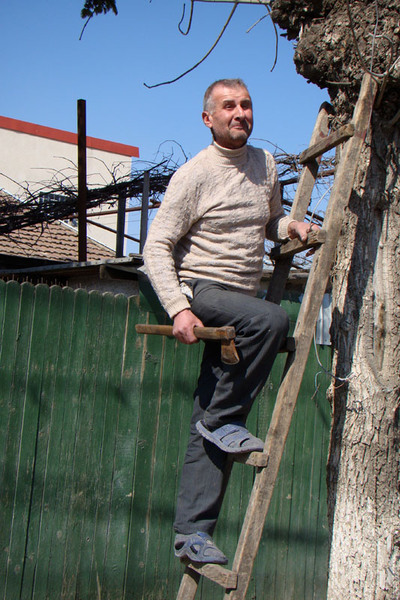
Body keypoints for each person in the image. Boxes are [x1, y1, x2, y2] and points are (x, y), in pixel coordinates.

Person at [143, 78, 314, 565]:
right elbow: (156, 246)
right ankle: (225, 421)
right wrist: (178, 308)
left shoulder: (265, 164)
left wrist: (290, 226)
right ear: (208, 118)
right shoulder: (194, 174)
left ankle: (191, 535)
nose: (240, 113)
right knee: (273, 321)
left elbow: (268, 222)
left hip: (241, 299)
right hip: (204, 291)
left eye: (246, 105)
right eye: (228, 106)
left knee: (207, 410)